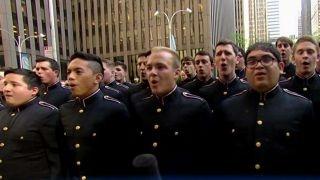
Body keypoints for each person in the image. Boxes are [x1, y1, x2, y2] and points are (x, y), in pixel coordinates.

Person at [214, 42, 316, 174]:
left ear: (280, 67)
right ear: (245, 70)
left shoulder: (302, 107)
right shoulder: (227, 108)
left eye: (266, 59)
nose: (259, 65)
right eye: (251, 61)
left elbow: (311, 160)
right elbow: (217, 159)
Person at [131, 46, 212, 175]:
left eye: (160, 67)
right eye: (149, 67)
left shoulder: (196, 106)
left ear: (176, 73)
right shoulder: (138, 105)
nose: (152, 72)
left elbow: (207, 158)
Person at [60, 52, 132, 179]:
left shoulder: (114, 109)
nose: (71, 77)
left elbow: (124, 156)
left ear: (97, 78)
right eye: (69, 72)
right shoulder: (65, 109)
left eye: (78, 72)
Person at [0, 68, 61, 179]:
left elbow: (56, 159)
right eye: (5, 84)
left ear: (34, 90)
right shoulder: (3, 113)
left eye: (14, 84)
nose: (6, 89)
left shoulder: (47, 114)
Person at [199, 40, 248, 111]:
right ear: (215, 61)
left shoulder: (248, 89)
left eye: (227, 53)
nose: (223, 57)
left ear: (237, 59)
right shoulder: (204, 92)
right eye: (218, 54)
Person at [280, 36, 320, 122]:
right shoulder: (282, 88)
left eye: (310, 52)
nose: (305, 56)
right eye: (300, 52)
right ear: (293, 58)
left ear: (317, 57)